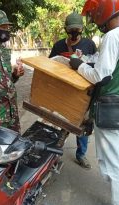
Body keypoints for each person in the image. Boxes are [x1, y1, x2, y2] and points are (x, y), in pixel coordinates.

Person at [69, 0, 119, 205]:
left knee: (112, 163)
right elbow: (110, 63)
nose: (94, 19)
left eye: (94, 14)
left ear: (103, 11)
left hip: (108, 108)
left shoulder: (112, 36)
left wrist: (79, 65)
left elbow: (100, 75)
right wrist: (87, 59)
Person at [49, 11, 97, 169]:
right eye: (71, 30)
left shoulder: (89, 45)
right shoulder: (58, 46)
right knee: (59, 125)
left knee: (81, 127)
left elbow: (97, 69)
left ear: (82, 29)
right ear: (65, 29)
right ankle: (54, 155)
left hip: (83, 93)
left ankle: (81, 155)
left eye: (77, 29)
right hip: (63, 92)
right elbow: (50, 67)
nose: (74, 33)